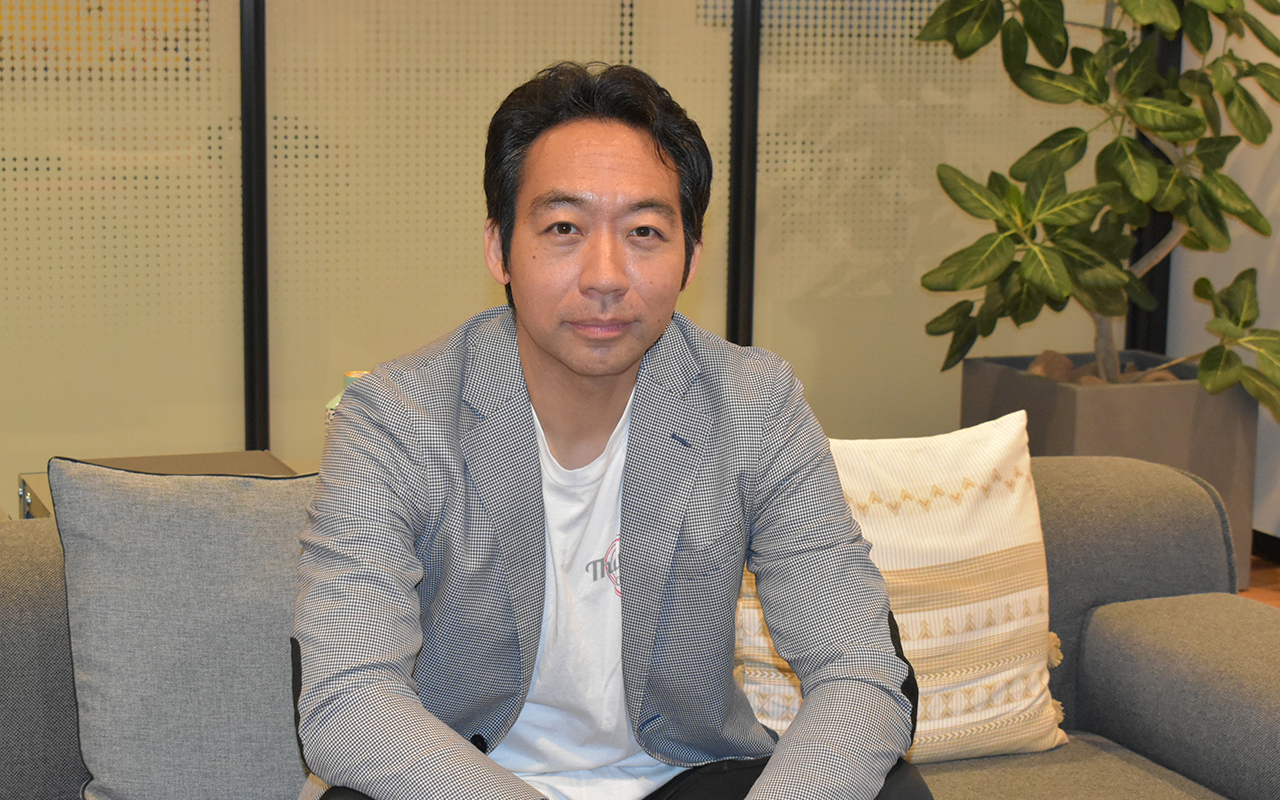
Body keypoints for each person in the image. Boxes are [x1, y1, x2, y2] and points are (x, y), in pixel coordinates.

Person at [293, 61, 930, 800]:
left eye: (644, 232)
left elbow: (860, 669)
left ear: (691, 255)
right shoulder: (395, 416)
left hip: (681, 776)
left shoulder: (754, 404)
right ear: (499, 248)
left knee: (891, 792)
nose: (605, 274)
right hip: (470, 779)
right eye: (564, 228)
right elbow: (346, 693)